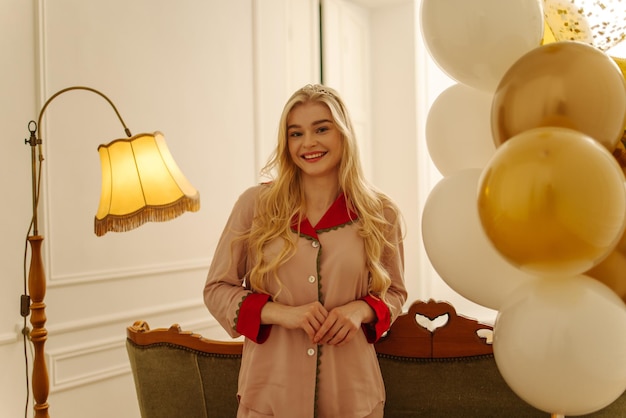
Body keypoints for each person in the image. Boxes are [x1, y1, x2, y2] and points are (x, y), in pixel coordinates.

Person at [204, 84, 407, 418]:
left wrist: (360, 310)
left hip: (352, 396)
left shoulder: (381, 213)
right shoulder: (254, 206)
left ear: (344, 134)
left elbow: (395, 292)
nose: (308, 143)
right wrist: (281, 313)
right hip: (269, 393)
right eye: (296, 133)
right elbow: (216, 289)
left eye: (321, 129)